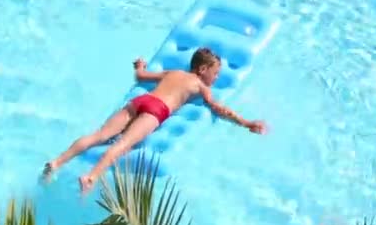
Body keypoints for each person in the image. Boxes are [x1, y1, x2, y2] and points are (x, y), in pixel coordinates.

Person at [42, 47, 267, 194]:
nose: (216, 78)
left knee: (100, 135)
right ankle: (90, 177)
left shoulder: (173, 72)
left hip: (142, 100)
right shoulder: (200, 86)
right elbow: (218, 108)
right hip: (157, 110)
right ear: (202, 69)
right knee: (122, 145)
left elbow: (141, 76)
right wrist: (246, 123)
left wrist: (140, 65)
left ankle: (57, 162)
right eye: (215, 73)